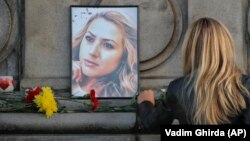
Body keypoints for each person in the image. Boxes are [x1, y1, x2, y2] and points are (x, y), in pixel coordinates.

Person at [137, 17, 250, 129]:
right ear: (227, 47)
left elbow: (151, 124)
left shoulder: (178, 88)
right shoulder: (246, 85)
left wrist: (145, 103)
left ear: (190, 49)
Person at [72, 10, 138, 97]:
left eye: (108, 45)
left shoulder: (124, 95)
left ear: (125, 56)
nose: (92, 52)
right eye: (89, 38)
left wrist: (75, 89)